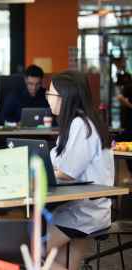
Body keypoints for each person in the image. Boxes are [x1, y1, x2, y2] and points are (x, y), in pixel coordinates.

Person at [44, 71, 113, 270]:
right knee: (62, 263)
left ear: (64, 98)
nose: (48, 98)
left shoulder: (80, 125)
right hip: (84, 208)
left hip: (82, 212)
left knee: (28, 252)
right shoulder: (80, 123)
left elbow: (67, 171)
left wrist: (44, 171)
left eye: (51, 94)